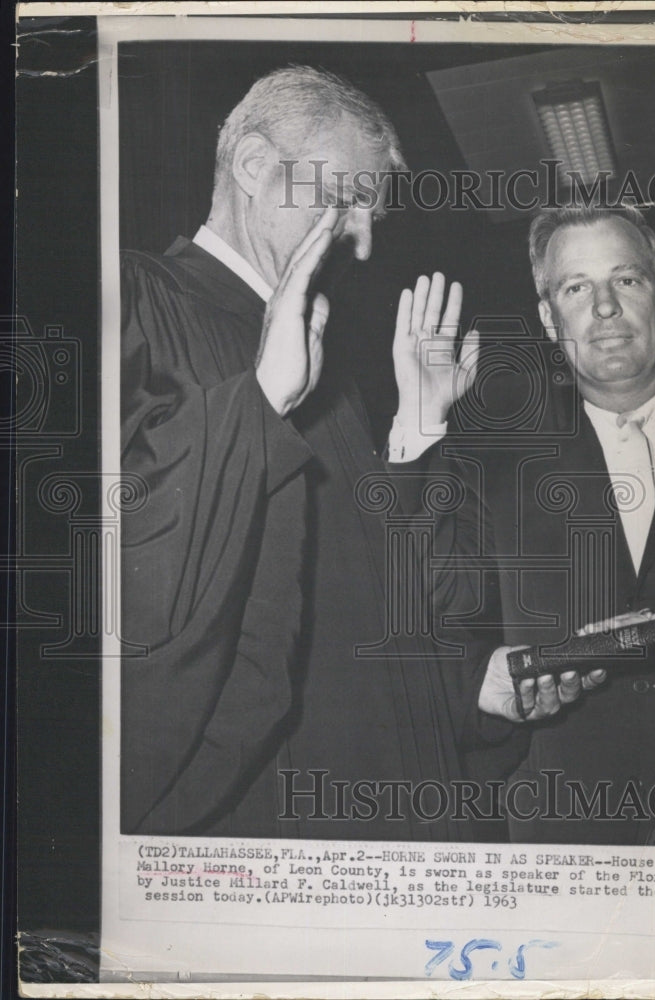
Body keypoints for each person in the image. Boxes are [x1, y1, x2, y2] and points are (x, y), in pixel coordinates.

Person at [119, 66, 596, 841]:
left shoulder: (323, 364)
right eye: (346, 200)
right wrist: (260, 402)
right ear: (253, 165)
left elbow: (368, 615)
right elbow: (130, 587)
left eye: (372, 214)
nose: (364, 243)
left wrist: (416, 435)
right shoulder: (132, 301)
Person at [482, 205, 655, 846]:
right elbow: (442, 640)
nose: (605, 307)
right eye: (577, 288)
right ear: (549, 319)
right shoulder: (491, 471)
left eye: (626, 279)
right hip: (565, 836)